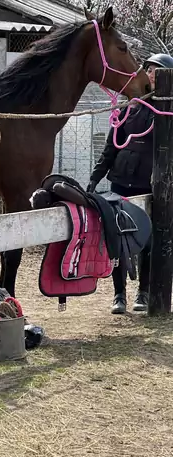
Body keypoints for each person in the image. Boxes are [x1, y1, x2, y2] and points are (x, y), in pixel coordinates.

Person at [87, 53, 173, 314]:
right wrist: (94, 178)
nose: (151, 74)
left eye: (157, 71)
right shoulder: (128, 107)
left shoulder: (168, 111)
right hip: (122, 183)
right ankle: (118, 295)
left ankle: (144, 293)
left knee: (147, 241)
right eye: (148, 69)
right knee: (119, 241)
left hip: (152, 187)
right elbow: (111, 148)